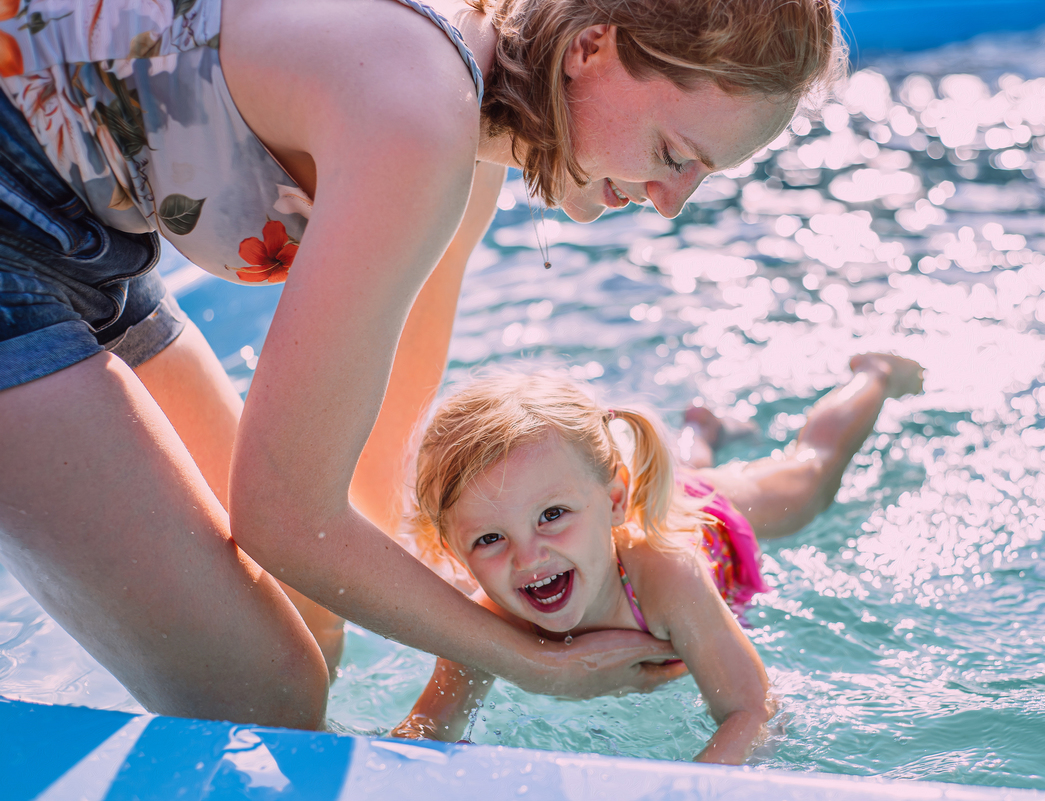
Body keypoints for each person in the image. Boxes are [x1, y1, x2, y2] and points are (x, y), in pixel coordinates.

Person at [0, 0, 842, 727]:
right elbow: (282, 516)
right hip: (14, 220)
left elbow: (370, 481)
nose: (672, 200)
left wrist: (509, 550)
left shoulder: (478, 111)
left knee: (313, 615)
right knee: (266, 697)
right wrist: (529, 657)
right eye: (672, 152)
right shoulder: (422, 120)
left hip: (91, 246)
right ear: (593, 47)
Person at [391, 353, 924, 764]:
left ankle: (873, 374)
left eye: (552, 514)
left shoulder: (666, 576)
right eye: (489, 539)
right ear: (452, 551)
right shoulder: (481, 626)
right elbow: (426, 730)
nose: (528, 556)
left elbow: (753, 708)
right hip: (640, 501)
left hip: (708, 520)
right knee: (686, 466)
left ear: (617, 499)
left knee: (808, 476)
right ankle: (703, 431)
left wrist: (694, 790)